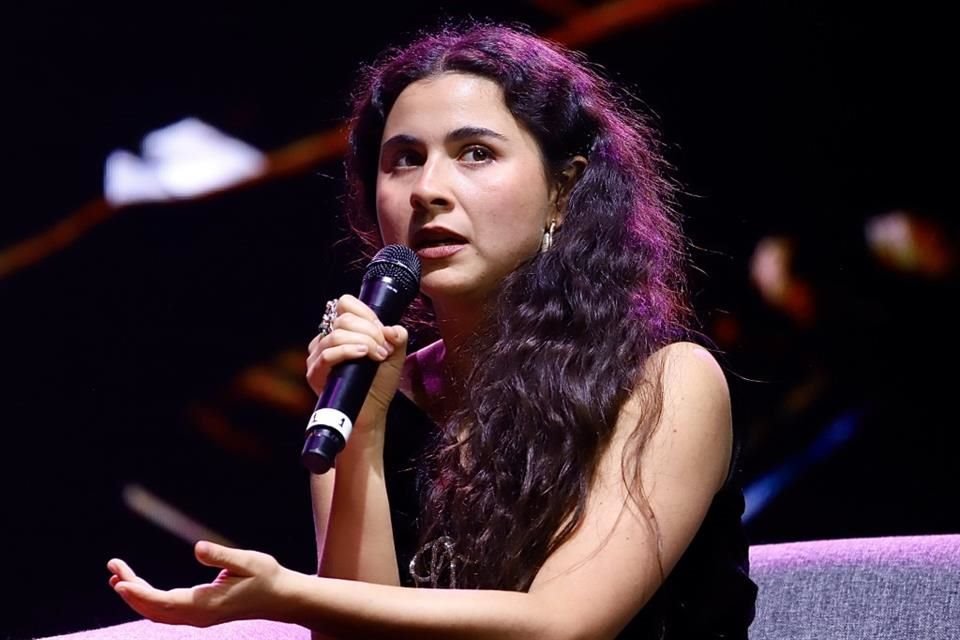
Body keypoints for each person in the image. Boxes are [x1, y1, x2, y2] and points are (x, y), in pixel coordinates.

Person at [81, 21, 757, 640]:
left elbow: (562, 626)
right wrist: (364, 433)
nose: (427, 188)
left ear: (563, 192)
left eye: (475, 153)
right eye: (403, 159)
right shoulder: (359, 395)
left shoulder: (666, 378)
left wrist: (289, 594)